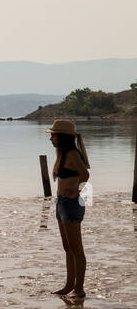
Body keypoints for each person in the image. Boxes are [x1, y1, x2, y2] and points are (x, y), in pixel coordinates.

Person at [47, 119, 90, 298]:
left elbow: (85, 175)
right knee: (67, 247)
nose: (51, 139)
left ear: (61, 137)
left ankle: (79, 289)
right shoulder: (62, 153)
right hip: (61, 203)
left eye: (53, 136)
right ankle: (69, 285)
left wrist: (75, 192)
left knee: (76, 247)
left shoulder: (72, 153)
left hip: (71, 204)